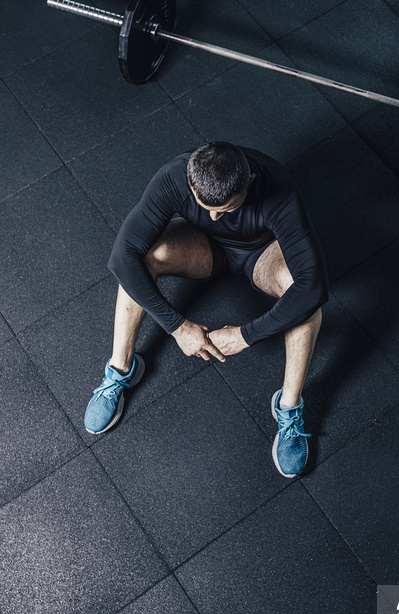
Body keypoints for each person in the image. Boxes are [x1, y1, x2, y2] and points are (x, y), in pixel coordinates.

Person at [84, 142, 329, 477]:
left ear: (250, 181)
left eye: (225, 209)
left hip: (262, 253)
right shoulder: (176, 175)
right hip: (205, 247)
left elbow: (313, 287)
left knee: (300, 296)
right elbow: (121, 257)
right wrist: (177, 326)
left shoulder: (280, 191)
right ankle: (121, 368)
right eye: (206, 207)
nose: (215, 216)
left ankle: (288, 406)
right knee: (143, 258)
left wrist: (245, 335)